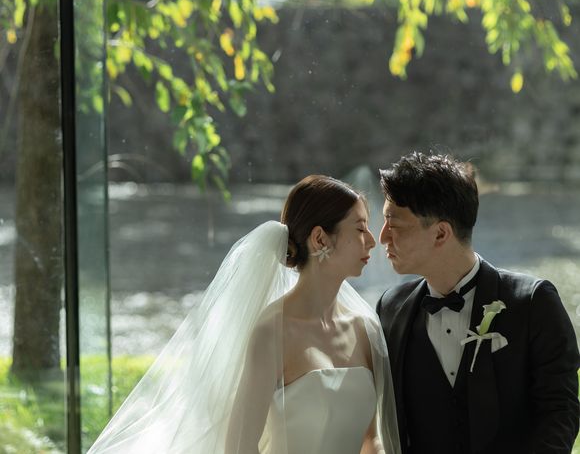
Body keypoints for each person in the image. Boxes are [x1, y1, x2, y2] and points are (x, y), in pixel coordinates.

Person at [88, 175, 401, 454]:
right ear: (320, 238)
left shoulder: (364, 329)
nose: (372, 240)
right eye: (360, 228)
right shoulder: (273, 332)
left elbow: (371, 441)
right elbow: (239, 447)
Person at [376, 152, 580, 454]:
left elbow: (560, 411)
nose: (383, 237)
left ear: (441, 233)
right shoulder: (390, 308)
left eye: (394, 225)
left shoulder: (533, 302)